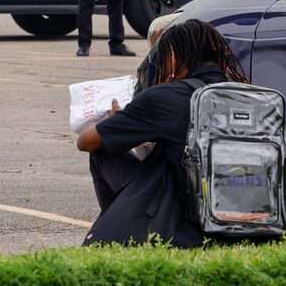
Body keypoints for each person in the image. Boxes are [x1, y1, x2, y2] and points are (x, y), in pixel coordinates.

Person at [75, 19, 251, 246]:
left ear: (174, 58)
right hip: (250, 208)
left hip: (186, 208)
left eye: (164, 60)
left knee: (102, 152)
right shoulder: (250, 95)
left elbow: (86, 142)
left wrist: (118, 118)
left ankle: (125, 222)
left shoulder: (166, 97)